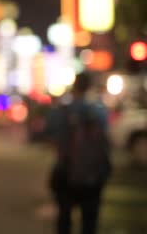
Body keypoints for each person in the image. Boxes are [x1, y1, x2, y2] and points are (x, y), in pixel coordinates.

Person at [45, 72, 111, 234]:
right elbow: (106, 138)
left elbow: (52, 135)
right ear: (89, 87)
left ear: (74, 86)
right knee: (90, 221)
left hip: (66, 171)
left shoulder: (62, 111)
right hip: (94, 174)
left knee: (64, 218)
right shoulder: (100, 111)